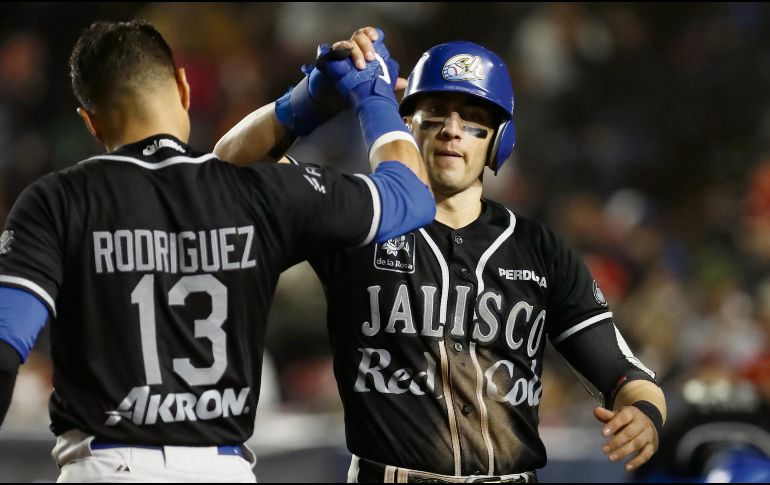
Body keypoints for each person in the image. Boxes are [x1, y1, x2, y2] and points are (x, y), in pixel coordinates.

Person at [215, 27, 667, 483]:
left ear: (498, 139)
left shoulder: (540, 249)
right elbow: (230, 167)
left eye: (473, 119)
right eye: (435, 112)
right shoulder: (359, 216)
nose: (452, 129)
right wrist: (311, 98)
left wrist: (644, 413)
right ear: (405, 122)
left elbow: (625, 373)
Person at [0, 20, 435, 482]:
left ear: (89, 121)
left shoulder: (57, 199)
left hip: (107, 466)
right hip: (220, 469)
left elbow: (6, 342)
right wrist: (371, 93)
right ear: (184, 89)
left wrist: (311, 100)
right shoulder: (255, 193)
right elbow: (410, 196)